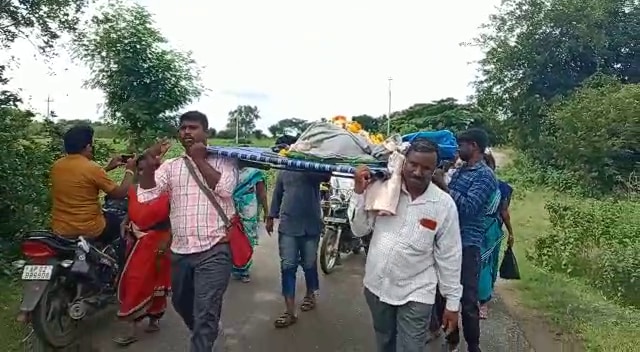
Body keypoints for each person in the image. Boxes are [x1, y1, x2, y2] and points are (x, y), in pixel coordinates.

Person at [137, 111, 238, 352]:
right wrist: (149, 170)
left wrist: (200, 160)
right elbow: (146, 194)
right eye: (183, 128)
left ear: (206, 132)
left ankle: (204, 335)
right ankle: (206, 329)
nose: (187, 132)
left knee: (205, 310)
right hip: (181, 251)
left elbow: (225, 189)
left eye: (193, 128)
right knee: (182, 304)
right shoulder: (172, 166)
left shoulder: (225, 161)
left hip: (214, 249)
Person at [349, 139, 463, 352]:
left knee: (411, 347)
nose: (418, 172)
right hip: (377, 286)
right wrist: (358, 193)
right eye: (413, 164)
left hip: (417, 291)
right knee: (385, 342)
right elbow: (359, 230)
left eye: (426, 167)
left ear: (435, 169)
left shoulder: (443, 205)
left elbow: (450, 256)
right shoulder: (383, 189)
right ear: (403, 162)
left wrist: (452, 303)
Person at [430, 128, 498, 352]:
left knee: (468, 302)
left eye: (462, 144)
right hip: (447, 241)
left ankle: (473, 346)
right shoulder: (461, 170)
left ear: (474, 146)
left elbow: (468, 208)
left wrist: (444, 186)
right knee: (443, 295)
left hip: (468, 244)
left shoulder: (485, 176)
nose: (458, 149)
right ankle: (452, 339)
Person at [114, 145, 172, 346]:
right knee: (134, 280)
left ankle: (154, 317)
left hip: (159, 243)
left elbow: (175, 218)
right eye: (139, 169)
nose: (143, 173)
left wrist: (168, 241)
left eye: (148, 169)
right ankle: (130, 325)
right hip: (137, 243)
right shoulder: (133, 190)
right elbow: (130, 211)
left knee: (157, 281)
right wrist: (125, 222)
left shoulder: (168, 192)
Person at [267, 169, 330, 328]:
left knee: (309, 264)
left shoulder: (312, 168)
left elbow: (326, 176)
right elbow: (277, 194)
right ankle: (289, 311)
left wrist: (308, 162)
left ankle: (310, 294)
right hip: (288, 225)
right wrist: (270, 217)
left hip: (311, 225)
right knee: (287, 266)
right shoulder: (284, 171)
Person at [51, 125, 136, 242]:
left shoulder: (57, 166)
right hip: (89, 228)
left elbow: (82, 180)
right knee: (119, 223)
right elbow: (120, 194)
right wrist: (130, 170)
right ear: (88, 146)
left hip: (61, 229)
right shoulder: (92, 168)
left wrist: (107, 168)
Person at [478, 152, 514, 319]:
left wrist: (511, 233)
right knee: (482, 263)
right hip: (477, 229)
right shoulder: (473, 184)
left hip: (491, 230)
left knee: (489, 263)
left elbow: (504, 212)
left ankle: (484, 301)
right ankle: (481, 298)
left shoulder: (501, 188)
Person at [231, 164, 269, 283]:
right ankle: (235, 266)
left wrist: (267, 212)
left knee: (248, 238)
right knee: (233, 237)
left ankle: (243, 268)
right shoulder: (229, 171)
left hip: (248, 209)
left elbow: (262, 193)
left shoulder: (255, 174)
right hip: (232, 208)